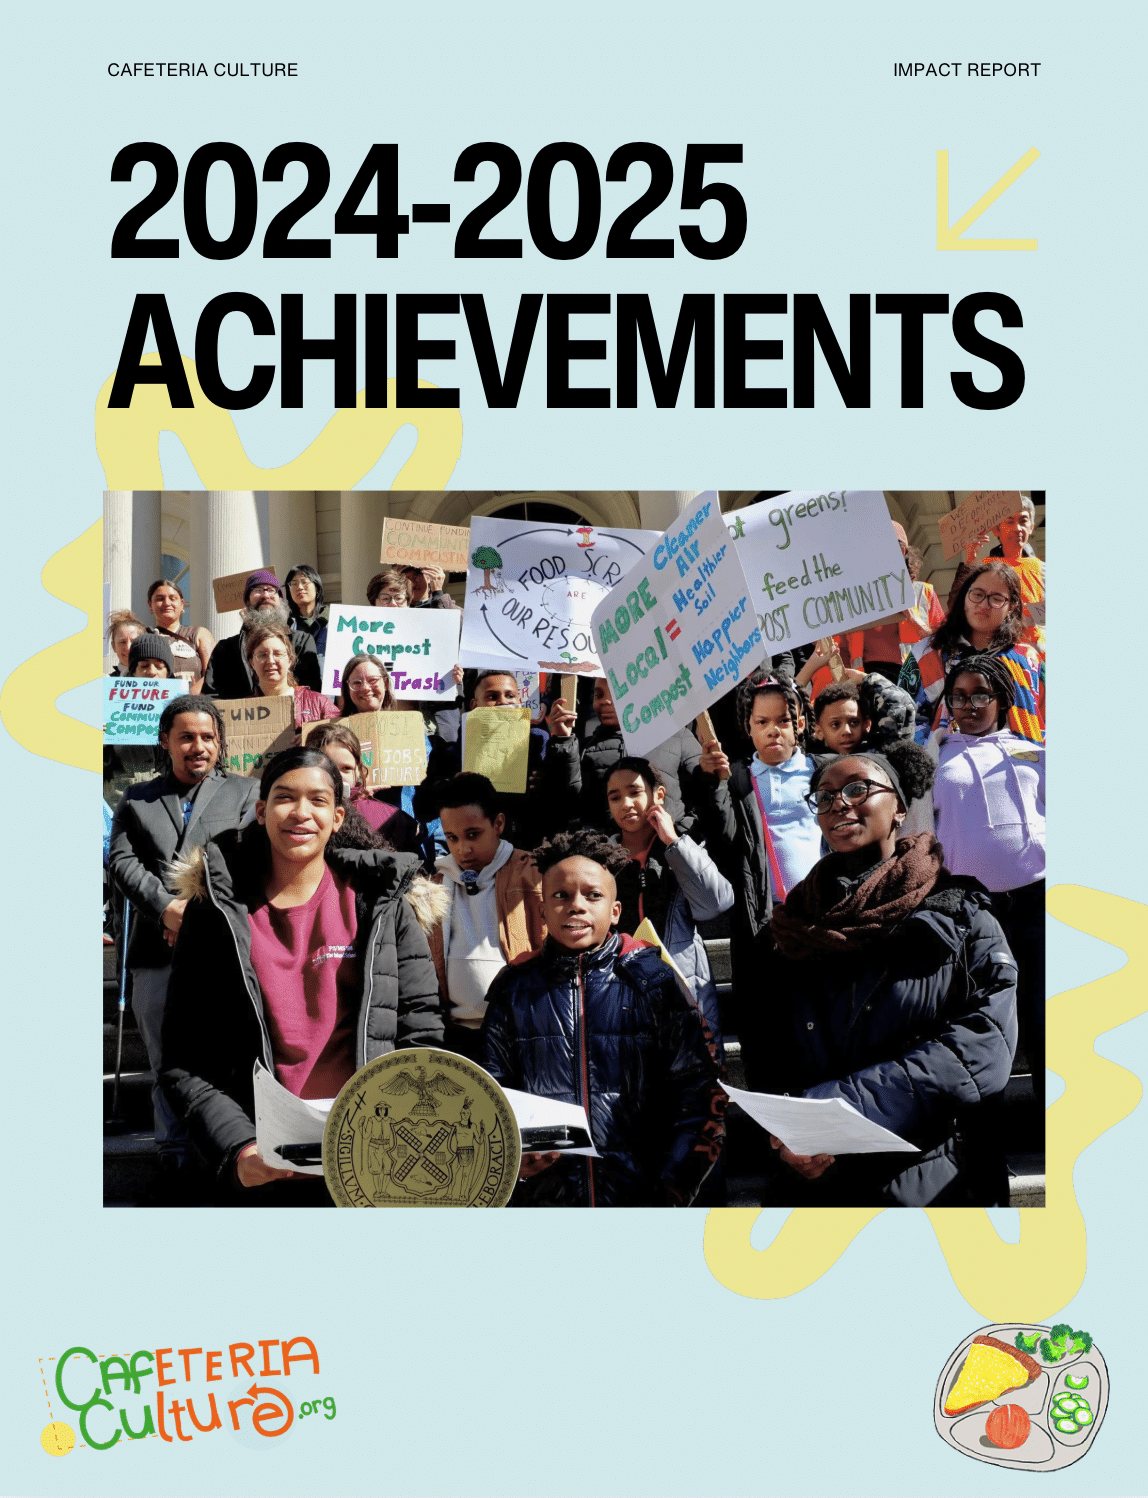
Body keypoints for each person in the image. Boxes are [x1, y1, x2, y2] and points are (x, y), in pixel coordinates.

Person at [160, 747, 446, 1204]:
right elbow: (186, 1055)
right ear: (260, 811)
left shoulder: (384, 904)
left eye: (317, 800)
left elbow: (420, 1032)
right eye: (284, 797)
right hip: (264, 1168)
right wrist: (240, 1149)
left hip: (372, 1159)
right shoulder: (214, 911)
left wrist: (399, 1130)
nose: (300, 812)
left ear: (337, 817)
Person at [763, 742, 1018, 1206]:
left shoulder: (961, 914)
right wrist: (791, 1136)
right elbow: (773, 1056)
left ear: (899, 807)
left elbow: (984, 1046)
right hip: (818, 1187)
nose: (838, 802)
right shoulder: (792, 927)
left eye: (858, 788)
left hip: (931, 1180)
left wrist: (844, 1106)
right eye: (823, 796)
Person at [479, 829, 725, 1207]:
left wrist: (673, 1187)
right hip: (546, 1204)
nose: (576, 906)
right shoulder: (513, 988)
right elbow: (490, 1094)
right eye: (560, 895)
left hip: (642, 1200)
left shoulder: (654, 981)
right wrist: (512, 1160)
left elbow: (701, 1089)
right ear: (542, 908)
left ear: (615, 910)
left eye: (593, 895)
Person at [108, 696, 260, 1182]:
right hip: (157, 950)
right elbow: (122, 863)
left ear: (220, 743)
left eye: (208, 737)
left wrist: (195, 915)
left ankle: (233, 1150)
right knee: (162, 1060)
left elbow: (250, 861)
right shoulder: (137, 800)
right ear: (166, 742)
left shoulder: (246, 794)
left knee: (228, 1056)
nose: (199, 746)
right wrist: (166, 908)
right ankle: (173, 1153)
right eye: (187, 737)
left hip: (220, 949)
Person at [693, 669, 822, 1091]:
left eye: (782, 721)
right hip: (761, 925)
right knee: (764, 1037)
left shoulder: (825, 773)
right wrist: (714, 785)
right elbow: (727, 842)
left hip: (821, 923)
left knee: (820, 1031)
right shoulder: (739, 780)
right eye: (761, 723)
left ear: (800, 722)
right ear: (747, 728)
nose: (773, 731)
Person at [933, 655, 1045, 1108]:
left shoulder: (1033, 750)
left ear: (1001, 698)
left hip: (1037, 899)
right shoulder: (934, 754)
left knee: (1044, 1014)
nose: (969, 705)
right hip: (973, 910)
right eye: (959, 697)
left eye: (981, 694)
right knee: (982, 1021)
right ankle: (985, 1130)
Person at [604, 757, 731, 1061]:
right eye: (615, 797)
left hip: (684, 987)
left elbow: (716, 903)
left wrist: (672, 841)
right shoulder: (600, 861)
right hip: (622, 990)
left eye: (635, 792)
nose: (626, 803)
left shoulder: (683, 849)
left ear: (658, 795)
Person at [426, 773, 546, 1059]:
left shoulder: (533, 873)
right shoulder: (435, 885)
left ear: (498, 824)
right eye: (452, 838)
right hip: (455, 1036)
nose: (463, 849)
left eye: (473, 834)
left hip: (519, 1033)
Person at [901, 562, 1044, 746]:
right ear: (964, 599)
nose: (984, 604)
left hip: (1019, 766)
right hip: (945, 767)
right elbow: (904, 720)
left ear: (1012, 607)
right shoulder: (928, 653)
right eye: (977, 595)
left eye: (997, 598)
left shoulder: (1029, 660)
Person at [544, 674, 704, 836]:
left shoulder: (677, 737)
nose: (605, 701)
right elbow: (566, 804)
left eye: (616, 693)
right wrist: (563, 740)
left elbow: (705, 796)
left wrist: (678, 834)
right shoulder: (583, 747)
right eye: (599, 695)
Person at [303, 720, 426, 857]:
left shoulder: (392, 818)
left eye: (346, 768)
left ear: (359, 771)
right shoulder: (299, 813)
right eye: (328, 767)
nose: (337, 776)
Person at [203, 570, 321, 698]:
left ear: (281, 600)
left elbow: (312, 691)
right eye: (258, 590)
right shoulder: (225, 648)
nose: (265, 595)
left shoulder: (302, 641)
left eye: (272, 590)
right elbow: (211, 696)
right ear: (247, 601)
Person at [948, 494, 1045, 644]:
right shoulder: (985, 568)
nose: (1017, 528)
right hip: (999, 652)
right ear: (996, 530)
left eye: (1023, 521)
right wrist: (969, 558)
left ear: (1031, 527)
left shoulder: (1042, 569)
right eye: (1010, 521)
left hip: (1037, 654)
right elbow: (955, 604)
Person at [244, 620, 339, 730]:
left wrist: (311, 736)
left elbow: (342, 736)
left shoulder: (320, 703)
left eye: (278, 654)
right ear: (252, 663)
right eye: (262, 655)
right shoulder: (241, 711)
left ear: (290, 660)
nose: (270, 661)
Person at [144, 579, 214, 684]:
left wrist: (191, 696)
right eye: (160, 599)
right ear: (150, 604)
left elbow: (213, 674)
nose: (167, 603)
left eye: (172, 598)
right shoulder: (142, 637)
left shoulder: (198, 634)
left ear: (182, 604)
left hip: (193, 699)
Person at [284, 564, 329, 669]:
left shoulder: (334, 619)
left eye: (304, 582)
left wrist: (337, 684)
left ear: (317, 588)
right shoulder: (285, 625)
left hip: (329, 683)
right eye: (293, 584)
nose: (299, 587)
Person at [107, 610, 145, 675]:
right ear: (114, 646)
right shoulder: (108, 681)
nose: (128, 648)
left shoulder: (154, 678)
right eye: (122, 642)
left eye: (134, 641)